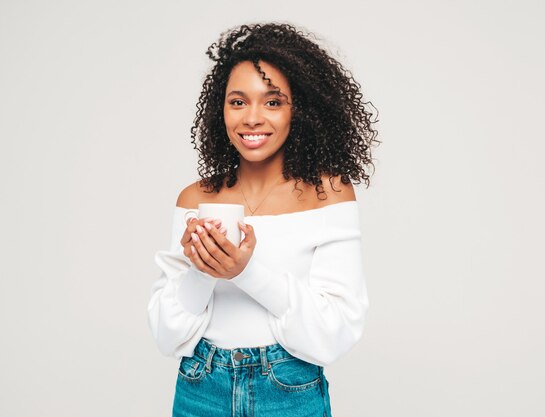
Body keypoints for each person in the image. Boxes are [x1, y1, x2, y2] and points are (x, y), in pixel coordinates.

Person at [147, 22, 380, 417]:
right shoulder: (194, 199)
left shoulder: (329, 193)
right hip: (200, 388)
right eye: (238, 102)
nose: (252, 118)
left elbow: (334, 334)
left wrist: (244, 271)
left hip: (288, 390)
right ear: (221, 109)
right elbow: (168, 336)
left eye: (272, 102)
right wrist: (203, 271)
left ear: (299, 110)